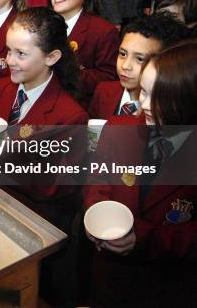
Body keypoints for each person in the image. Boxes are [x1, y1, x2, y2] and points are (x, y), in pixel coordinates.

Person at [0, 7, 88, 306]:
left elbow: (58, 188)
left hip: (34, 221)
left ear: (52, 57)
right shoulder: (2, 88)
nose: (9, 61)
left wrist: (0, 161)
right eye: (7, 50)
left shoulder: (70, 116)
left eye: (21, 54)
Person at [83, 40, 197, 307]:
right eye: (143, 92)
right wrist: (97, 212)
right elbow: (97, 178)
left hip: (168, 284)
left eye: (159, 98)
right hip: (108, 276)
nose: (143, 105)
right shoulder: (119, 128)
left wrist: (145, 239)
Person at [89, 13, 187, 119]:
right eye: (123, 54)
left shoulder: (164, 108)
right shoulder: (103, 91)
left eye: (140, 59)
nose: (125, 66)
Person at [50, 0, 119, 104]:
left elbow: (108, 77)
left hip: (77, 104)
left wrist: (65, 73)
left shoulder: (103, 31)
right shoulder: (43, 22)